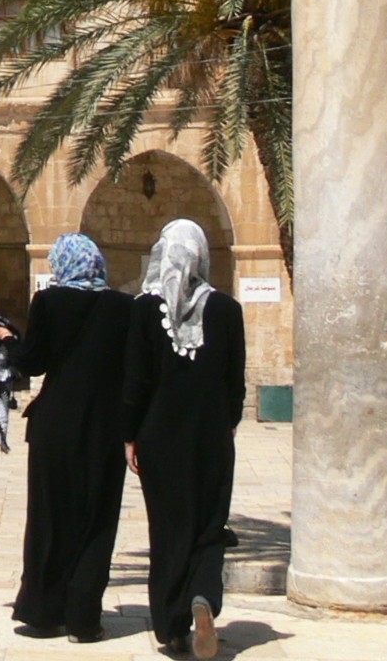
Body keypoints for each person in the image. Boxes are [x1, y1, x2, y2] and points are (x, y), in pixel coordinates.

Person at [123, 220, 245, 661]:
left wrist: (130, 436)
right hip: (212, 437)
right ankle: (203, 599)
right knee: (209, 524)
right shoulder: (227, 310)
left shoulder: (143, 311)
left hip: (159, 439)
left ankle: (173, 626)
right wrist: (226, 426)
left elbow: (135, 382)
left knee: (168, 528)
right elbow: (235, 384)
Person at [8, 233, 135, 642]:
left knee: (50, 516)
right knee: (97, 517)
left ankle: (44, 612)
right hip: (105, 425)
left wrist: (7, 340)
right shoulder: (124, 307)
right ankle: (83, 618)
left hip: (55, 426)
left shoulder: (49, 301)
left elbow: (33, 362)